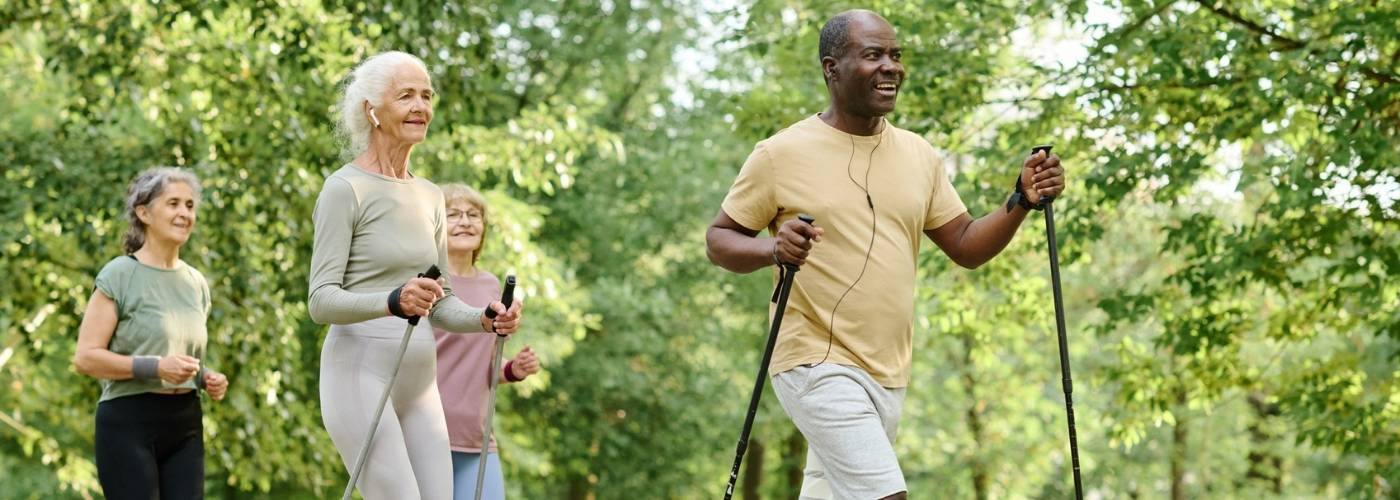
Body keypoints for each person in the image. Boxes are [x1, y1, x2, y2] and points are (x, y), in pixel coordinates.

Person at [704, 10, 1067, 499]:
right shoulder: (780, 153)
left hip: (888, 371)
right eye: (873, 55)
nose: (891, 67)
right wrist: (773, 248)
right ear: (832, 68)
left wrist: (1021, 200)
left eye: (895, 55)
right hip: (816, 362)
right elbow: (719, 239)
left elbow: (965, 245)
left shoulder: (919, 155)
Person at [309, 51, 524, 500]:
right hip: (358, 372)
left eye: (426, 95)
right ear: (372, 109)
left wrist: (484, 318)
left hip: (420, 381)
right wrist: (392, 301)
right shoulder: (344, 188)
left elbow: (441, 301)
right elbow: (321, 300)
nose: (421, 106)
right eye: (406, 95)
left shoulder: (429, 196)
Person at [73, 167, 230, 499]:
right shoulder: (119, 274)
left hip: (185, 420)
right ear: (144, 213)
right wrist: (156, 367)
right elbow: (86, 358)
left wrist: (204, 377)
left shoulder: (195, 283)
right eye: (173, 203)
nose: (184, 213)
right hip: (128, 421)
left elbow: (177, 355)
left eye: (190, 205)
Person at [433, 183, 541, 500]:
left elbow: (485, 365)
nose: (465, 221)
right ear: (435, 225)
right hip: (426, 432)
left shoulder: (490, 285)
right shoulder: (427, 283)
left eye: (473, 214)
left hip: (475, 437)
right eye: (452, 214)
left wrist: (512, 370)